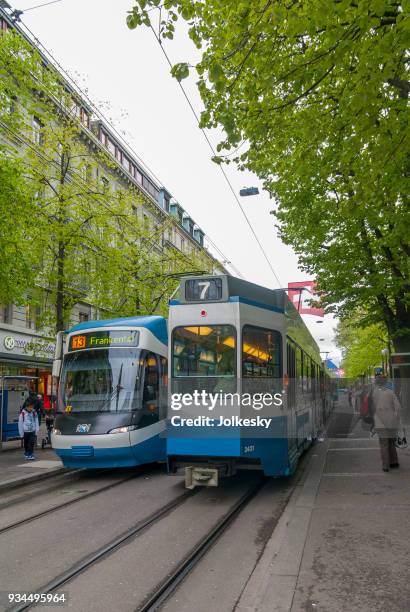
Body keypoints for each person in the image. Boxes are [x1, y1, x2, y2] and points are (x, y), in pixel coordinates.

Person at [372, 374, 401, 472]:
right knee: (392, 442)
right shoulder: (391, 393)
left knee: (384, 444)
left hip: (380, 422)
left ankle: (385, 465)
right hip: (391, 422)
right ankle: (394, 462)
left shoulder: (374, 393)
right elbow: (398, 407)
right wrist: (396, 418)